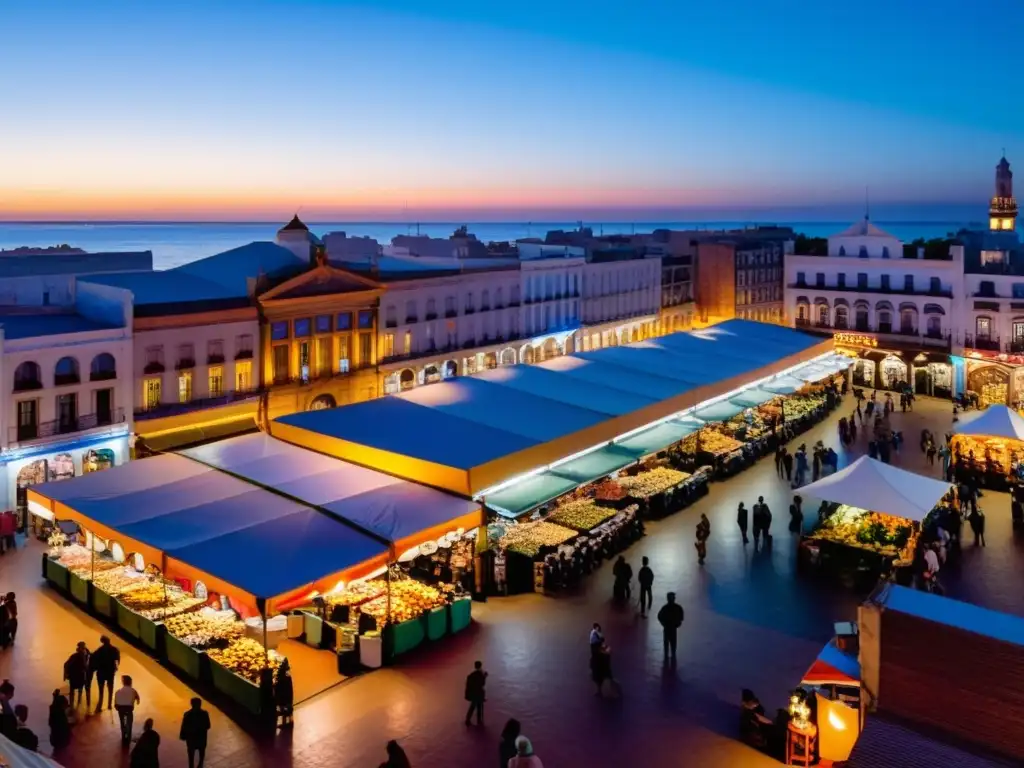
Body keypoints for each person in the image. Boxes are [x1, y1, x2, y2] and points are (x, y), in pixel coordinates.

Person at [91, 635, 120, 711]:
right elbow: (117, 661)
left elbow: (93, 658)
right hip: (110, 672)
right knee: (110, 688)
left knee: (101, 690)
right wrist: (115, 668)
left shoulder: (100, 650)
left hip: (101, 672)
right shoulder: (114, 649)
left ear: (102, 642)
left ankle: (100, 705)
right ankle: (109, 704)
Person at [180, 697, 211, 768]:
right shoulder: (204, 714)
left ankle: (192, 766)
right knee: (201, 753)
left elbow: (184, 726)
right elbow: (208, 726)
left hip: (191, 739)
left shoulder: (187, 714)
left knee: (191, 755)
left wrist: (183, 735)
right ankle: (200, 765)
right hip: (201, 738)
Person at [657, 592, 684, 664]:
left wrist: (663, 623)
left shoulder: (665, 608)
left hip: (667, 628)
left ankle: (666, 657)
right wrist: (678, 623)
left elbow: (659, 616)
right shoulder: (678, 608)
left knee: (666, 643)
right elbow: (681, 616)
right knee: (673, 643)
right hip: (673, 628)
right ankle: (673, 656)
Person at [114, 674, 140, 745]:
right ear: (130, 682)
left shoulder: (118, 691)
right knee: (129, 722)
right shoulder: (133, 690)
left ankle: (123, 736)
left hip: (120, 708)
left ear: (123, 682)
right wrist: (136, 701)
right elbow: (138, 699)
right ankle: (128, 736)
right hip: (129, 708)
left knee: (122, 722)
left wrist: (117, 707)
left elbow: (115, 703)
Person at [64, 641, 90, 709]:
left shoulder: (74, 656)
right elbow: (85, 667)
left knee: (72, 691)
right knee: (80, 689)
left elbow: (66, 664)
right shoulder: (83, 657)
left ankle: (72, 705)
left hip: (73, 676)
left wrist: (65, 675)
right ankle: (79, 702)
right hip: (80, 676)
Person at [464, 660, 487, 725]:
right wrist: (484, 677)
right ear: (480, 666)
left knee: (472, 706)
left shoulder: (472, 675)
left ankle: (468, 719)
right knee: (479, 708)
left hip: (474, 694)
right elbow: (482, 684)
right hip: (479, 693)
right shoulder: (480, 674)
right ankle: (479, 721)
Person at [274, 659, 294, 728]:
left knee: (283, 709)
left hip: (282, 696)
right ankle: (290, 721)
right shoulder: (288, 677)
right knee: (288, 709)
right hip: (287, 696)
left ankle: (285, 722)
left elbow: (278, 688)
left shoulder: (280, 678)